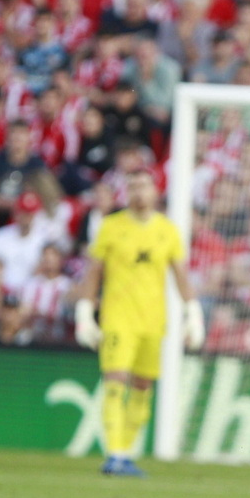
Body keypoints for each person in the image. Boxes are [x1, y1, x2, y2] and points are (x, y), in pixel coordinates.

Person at [70, 167, 205, 478]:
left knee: (143, 387)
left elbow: (180, 275)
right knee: (115, 381)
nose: (139, 192)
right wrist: (84, 313)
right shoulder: (111, 226)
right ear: (126, 193)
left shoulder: (167, 230)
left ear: (155, 191)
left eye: (144, 186)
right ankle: (114, 453)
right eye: (133, 187)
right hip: (118, 319)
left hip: (153, 321)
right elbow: (94, 272)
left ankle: (125, 453)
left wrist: (193, 314)